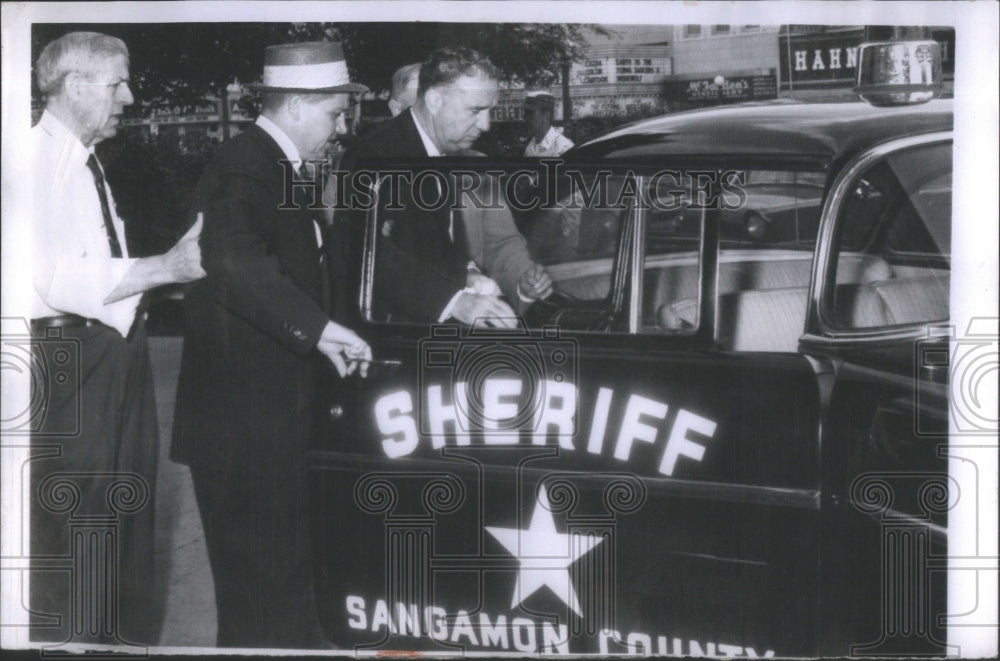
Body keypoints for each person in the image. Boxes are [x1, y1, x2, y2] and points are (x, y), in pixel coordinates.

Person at [171, 41, 371, 649]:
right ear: (298, 105)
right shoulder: (245, 166)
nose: (340, 129)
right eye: (335, 114)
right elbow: (233, 261)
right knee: (265, 593)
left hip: (264, 425)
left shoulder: (275, 165)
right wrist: (317, 329)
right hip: (244, 433)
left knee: (278, 589)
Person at [28, 31, 205, 645]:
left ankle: (109, 641)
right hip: (74, 364)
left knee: (120, 519)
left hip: (108, 355)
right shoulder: (34, 163)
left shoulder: (81, 158)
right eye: (117, 83)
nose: (129, 97)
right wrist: (168, 268)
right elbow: (52, 278)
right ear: (76, 87)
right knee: (85, 525)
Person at [340, 47, 552, 325]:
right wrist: (454, 301)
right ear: (435, 100)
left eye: (489, 111)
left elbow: (433, 246)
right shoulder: (375, 155)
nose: (486, 125)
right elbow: (368, 256)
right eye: (475, 111)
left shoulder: (438, 151)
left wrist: (467, 275)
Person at [523, 91, 574, 157]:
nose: (525, 117)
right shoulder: (531, 146)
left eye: (530, 113)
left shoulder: (563, 147)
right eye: (525, 113)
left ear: (546, 116)